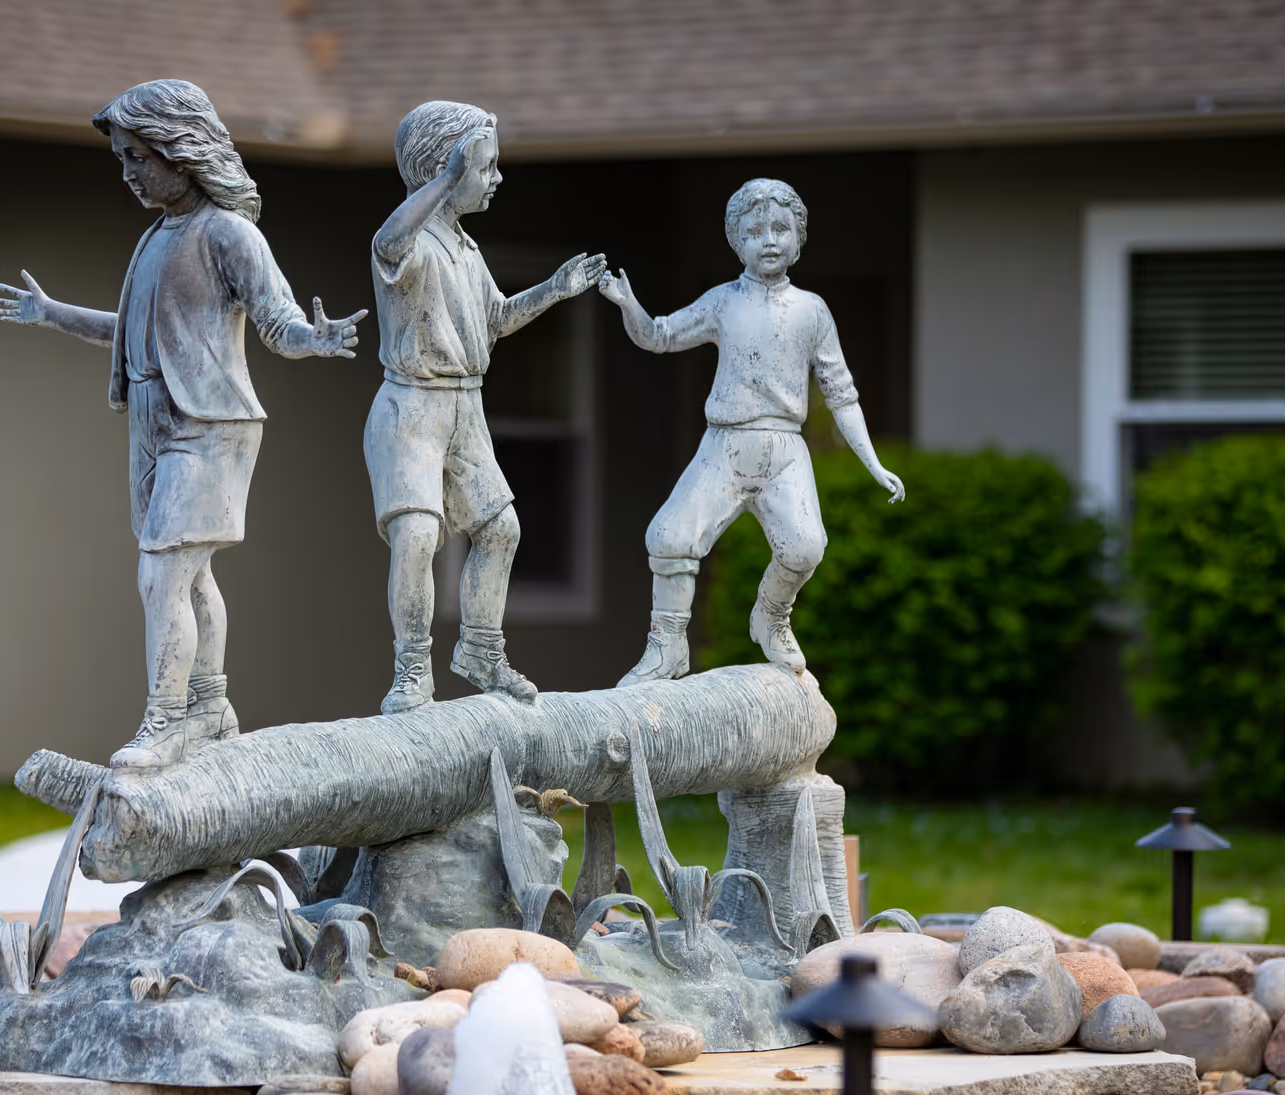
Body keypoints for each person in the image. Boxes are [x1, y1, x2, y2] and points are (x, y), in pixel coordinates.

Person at [0, 79, 365, 769]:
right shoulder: (154, 239)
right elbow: (132, 330)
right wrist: (51, 314)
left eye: (138, 157)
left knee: (161, 574)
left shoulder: (228, 232)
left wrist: (314, 339)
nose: (129, 173)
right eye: (121, 159)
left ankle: (165, 720)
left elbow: (277, 319)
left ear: (182, 151)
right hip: (152, 421)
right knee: (188, 576)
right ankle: (211, 707)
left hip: (210, 425)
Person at [598, 178, 904, 686]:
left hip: (784, 450)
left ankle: (771, 615)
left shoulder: (812, 310)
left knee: (805, 547)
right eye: (755, 231)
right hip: (725, 444)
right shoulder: (724, 302)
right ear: (736, 242)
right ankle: (666, 646)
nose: (769, 241)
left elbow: (841, 394)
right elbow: (659, 336)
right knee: (671, 536)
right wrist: (629, 305)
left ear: (799, 238)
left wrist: (873, 463)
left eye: (780, 229)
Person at [364, 100, 606, 715]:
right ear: (444, 169)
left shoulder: (467, 248)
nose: (497, 178)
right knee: (418, 536)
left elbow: (495, 319)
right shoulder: (413, 241)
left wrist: (554, 290)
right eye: (485, 166)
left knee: (501, 528)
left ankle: (480, 651)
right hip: (412, 409)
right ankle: (411, 669)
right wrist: (447, 179)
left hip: (464, 408)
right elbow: (387, 242)